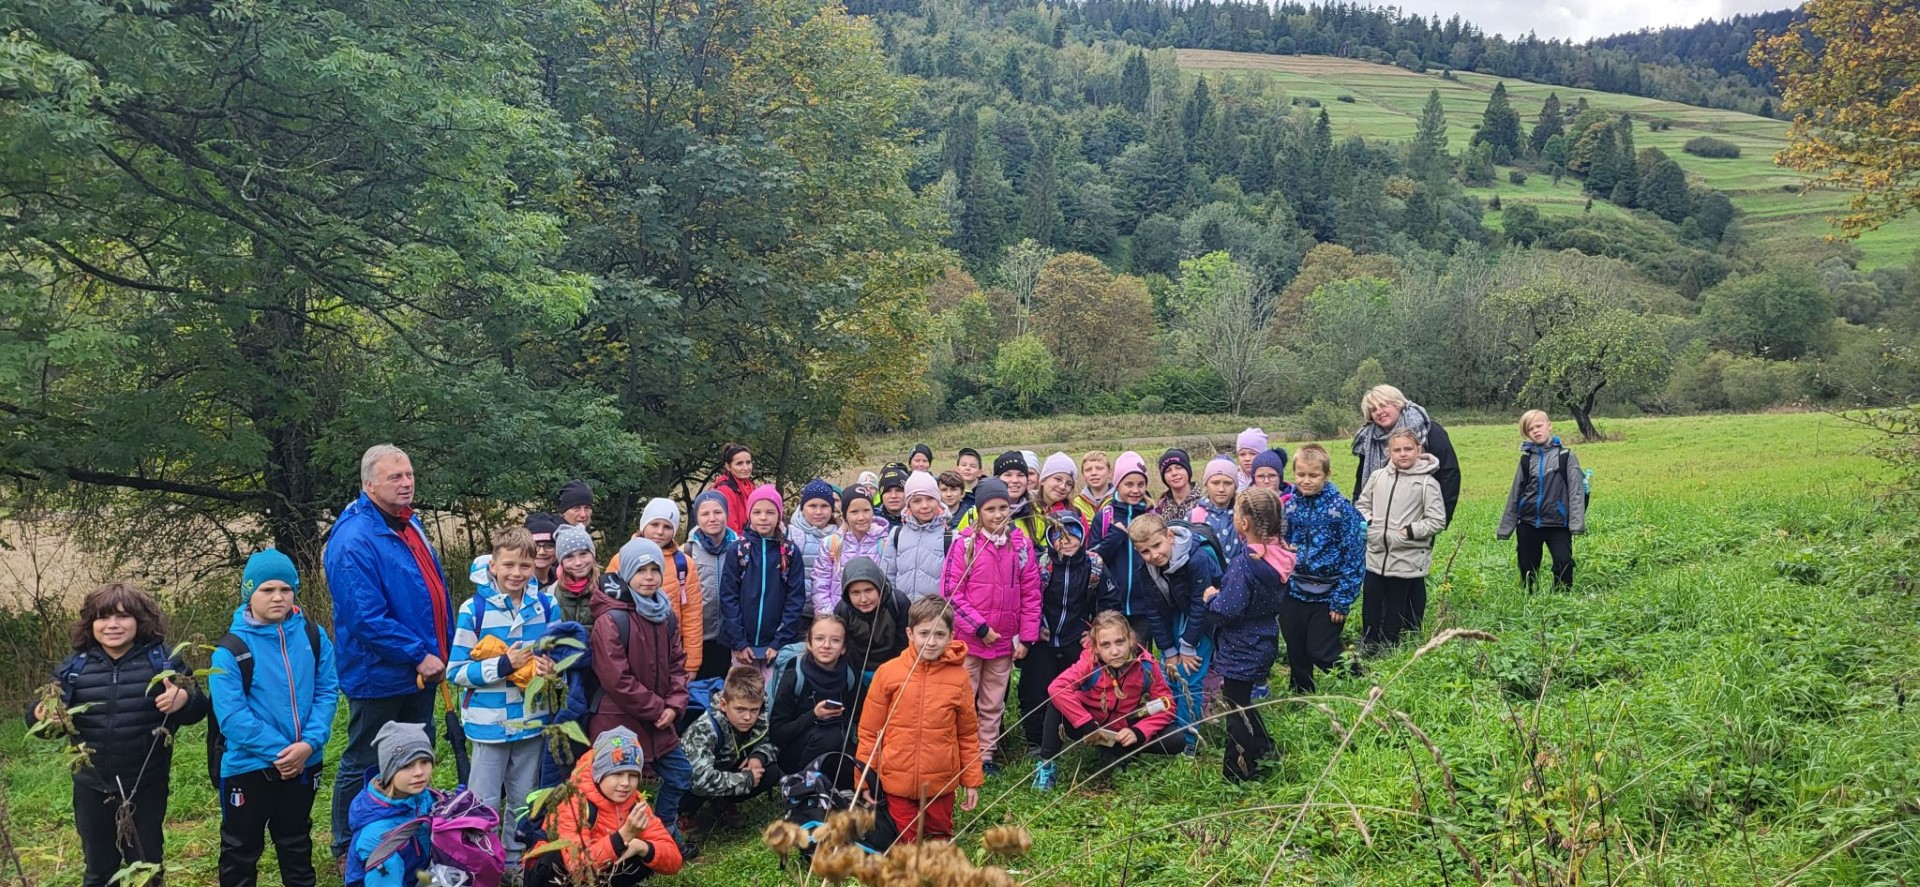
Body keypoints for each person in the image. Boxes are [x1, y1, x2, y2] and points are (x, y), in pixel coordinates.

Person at [323, 444, 454, 862]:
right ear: (369, 484)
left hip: (423, 668)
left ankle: (407, 827)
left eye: (409, 474)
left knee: (415, 753)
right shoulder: (354, 538)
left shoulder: (409, 523)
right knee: (366, 756)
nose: (406, 482)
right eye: (395, 477)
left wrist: (441, 649)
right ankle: (347, 844)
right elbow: (366, 618)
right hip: (380, 672)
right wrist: (418, 654)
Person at [29, 582, 208, 887]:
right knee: (99, 870)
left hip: (146, 786)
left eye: (123, 617)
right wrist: (41, 715)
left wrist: (183, 700)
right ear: (91, 623)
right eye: (103, 617)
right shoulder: (74, 668)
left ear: (140, 621)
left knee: (147, 867)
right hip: (91, 787)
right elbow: (45, 725)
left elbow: (197, 709)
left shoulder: (164, 663)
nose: (113, 625)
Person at [210, 550, 339, 887]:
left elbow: (327, 691)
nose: (278, 597)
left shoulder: (313, 636)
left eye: (286, 588)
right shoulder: (230, 650)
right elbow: (232, 717)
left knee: (296, 841)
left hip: (305, 760)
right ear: (249, 593)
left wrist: (308, 745)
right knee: (240, 850)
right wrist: (283, 753)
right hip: (249, 766)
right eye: (267, 589)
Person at [449, 527, 558, 871]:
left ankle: (514, 865)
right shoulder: (474, 609)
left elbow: (559, 654)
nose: (516, 573)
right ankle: (482, 865)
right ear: (493, 565)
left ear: (535, 566)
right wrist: (504, 665)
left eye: (525, 566)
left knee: (524, 799)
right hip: (488, 724)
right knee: (483, 802)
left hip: (531, 720)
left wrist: (552, 668)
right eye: (509, 565)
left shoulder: (546, 605)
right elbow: (456, 671)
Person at [855, 597, 983, 843]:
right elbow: (870, 732)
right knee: (907, 841)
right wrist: (865, 779)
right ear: (910, 634)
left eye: (939, 634)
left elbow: (967, 733)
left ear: (951, 636)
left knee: (939, 837)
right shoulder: (888, 673)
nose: (931, 642)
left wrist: (971, 780)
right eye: (924, 633)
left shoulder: (959, 678)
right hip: (896, 781)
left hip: (940, 782)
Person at [591, 538, 694, 843]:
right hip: (618, 721)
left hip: (659, 719)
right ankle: (614, 845)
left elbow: (678, 664)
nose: (649, 577)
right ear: (626, 573)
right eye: (640, 570)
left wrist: (674, 705)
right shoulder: (611, 619)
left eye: (654, 570)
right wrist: (659, 708)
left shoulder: (666, 614)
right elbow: (616, 679)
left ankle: (661, 831)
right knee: (616, 788)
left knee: (680, 773)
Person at [940, 478, 1041, 774]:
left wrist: (1026, 637)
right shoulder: (964, 544)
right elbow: (951, 592)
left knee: (993, 701)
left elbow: (1031, 592)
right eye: (990, 509)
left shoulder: (1020, 546)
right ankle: (959, 752)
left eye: (1003, 508)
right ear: (979, 512)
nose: (998, 515)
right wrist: (980, 628)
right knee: (963, 699)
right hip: (970, 640)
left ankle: (985, 755)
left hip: (1004, 641)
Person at [1030, 612, 1182, 791]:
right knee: (1056, 704)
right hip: (1087, 726)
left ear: (1130, 640)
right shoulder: (1089, 663)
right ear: (1096, 648)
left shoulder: (1146, 664)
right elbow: (1057, 687)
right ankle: (1046, 766)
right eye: (1106, 645)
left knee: (1176, 739)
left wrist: (1138, 732)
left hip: (1122, 728)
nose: (1115, 651)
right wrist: (1087, 725)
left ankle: (1123, 750)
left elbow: (1166, 704)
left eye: (1120, 642)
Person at [1206, 488, 1292, 782]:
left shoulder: (1245, 564)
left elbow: (1228, 609)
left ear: (1244, 523)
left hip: (1240, 643)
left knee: (1235, 708)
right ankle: (1265, 748)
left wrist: (1210, 599)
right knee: (1241, 700)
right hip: (1264, 637)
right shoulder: (1279, 555)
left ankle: (1238, 770)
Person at [528, 727, 683, 886]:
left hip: (598, 871)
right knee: (556, 855)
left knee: (643, 852)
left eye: (633, 775)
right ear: (598, 774)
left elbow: (675, 860)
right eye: (617, 774)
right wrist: (623, 836)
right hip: (554, 877)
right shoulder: (575, 802)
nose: (625, 783)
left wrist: (643, 847)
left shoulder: (635, 803)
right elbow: (577, 868)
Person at [1129, 512, 1224, 753]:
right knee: (1170, 673)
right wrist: (1169, 650)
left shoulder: (1197, 559)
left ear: (1170, 536)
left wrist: (1188, 646)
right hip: (1174, 612)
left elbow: (1200, 604)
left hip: (1203, 616)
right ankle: (1173, 728)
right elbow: (1153, 610)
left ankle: (1189, 742)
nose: (1154, 555)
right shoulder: (1146, 568)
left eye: (1157, 545)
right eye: (1145, 551)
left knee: (1188, 676)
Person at [1018, 513, 1111, 755]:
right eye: (1059, 536)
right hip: (1042, 638)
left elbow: (1110, 603)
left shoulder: (1094, 565)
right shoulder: (1040, 565)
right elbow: (1026, 598)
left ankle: (1077, 732)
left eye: (1073, 535)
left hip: (1076, 638)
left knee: (1076, 689)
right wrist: (1034, 627)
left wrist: (1095, 633)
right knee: (1035, 688)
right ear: (1050, 539)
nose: (1066, 541)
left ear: (1083, 536)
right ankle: (1036, 740)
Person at [1281, 445, 1364, 694]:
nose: (1306, 481)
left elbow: (1354, 556)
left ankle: (1359, 681)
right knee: (1295, 648)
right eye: (1301, 475)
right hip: (1295, 590)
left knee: (1320, 649)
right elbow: (1284, 543)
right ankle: (1302, 694)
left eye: (1313, 475)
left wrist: (1342, 600)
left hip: (1328, 593)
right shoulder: (1290, 507)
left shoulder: (1341, 510)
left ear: (1327, 474)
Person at [1356, 429, 1449, 651]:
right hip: (1376, 553)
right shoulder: (1377, 477)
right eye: (1397, 450)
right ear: (1389, 452)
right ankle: (1369, 641)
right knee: (1371, 600)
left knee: (1396, 604)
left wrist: (1411, 531)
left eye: (1408, 449)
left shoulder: (1427, 483)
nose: (1403, 454)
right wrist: (1369, 521)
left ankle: (1390, 643)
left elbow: (1437, 521)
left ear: (1419, 450)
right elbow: (1362, 504)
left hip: (1406, 556)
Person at [680, 666, 781, 838]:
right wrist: (746, 780)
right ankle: (683, 815)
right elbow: (699, 780)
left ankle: (722, 802)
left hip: (726, 766)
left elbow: (772, 743)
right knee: (689, 783)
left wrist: (758, 757)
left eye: (753, 710)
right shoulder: (704, 728)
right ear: (723, 704)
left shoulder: (761, 714)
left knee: (771, 772)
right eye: (740, 709)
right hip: (692, 778)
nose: (748, 717)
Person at [721, 485, 807, 677]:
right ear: (749, 514)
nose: (763, 517)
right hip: (743, 646)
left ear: (779, 515)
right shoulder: (738, 550)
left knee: (773, 691)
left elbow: (795, 599)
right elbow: (728, 598)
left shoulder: (789, 552)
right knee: (744, 691)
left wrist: (779, 642)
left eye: (770, 512)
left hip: (776, 646)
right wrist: (739, 642)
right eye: (757, 512)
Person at [1497, 410, 1587, 593]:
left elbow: (1576, 492)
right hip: (1528, 522)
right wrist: (1505, 528)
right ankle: (1529, 596)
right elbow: (1515, 493)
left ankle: (1561, 598)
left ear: (1549, 425)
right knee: (1527, 567)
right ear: (1527, 434)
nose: (1536, 431)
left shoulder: (1566, 456)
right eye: (1530, 429)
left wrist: (1576, 524)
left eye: (1539, 426)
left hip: (1558, 523)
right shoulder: (1526, 459)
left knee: (1564, 563)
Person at [614, 498, 705, 676]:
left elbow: (692, 616)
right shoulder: (622, 559)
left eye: (667, 527)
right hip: (631, 651)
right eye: (654, 524)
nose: (660, 532)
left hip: (670, 652)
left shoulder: (684, 564)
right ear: (643, 525)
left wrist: (691, 665)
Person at [343, 722, 438, 887]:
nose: (419, 772)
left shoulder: (423, 796)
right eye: (407, 765)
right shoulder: (379, 837)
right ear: (389, 770)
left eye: (424, 762)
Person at [1352, 384, 1462, 523]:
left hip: (1418, 517)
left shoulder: (1428, 429)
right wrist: (1357, 517)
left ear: (1398, 404)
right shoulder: (1368, 439)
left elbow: (1449, 473)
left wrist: (1441, 517)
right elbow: (1361, 481)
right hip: (1378, 521)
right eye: (1373, 410)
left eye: (1383, 405)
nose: (1379, 412)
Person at [771, 615, 863, 776]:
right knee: (829, 734)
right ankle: (802, 784)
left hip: (839, 745)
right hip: (794, 752)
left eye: (835, 640)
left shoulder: (850, 675)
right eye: (819, 639)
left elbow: (859, 718)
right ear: (809, 644)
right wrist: (814, 715)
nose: (826, 646)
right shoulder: (794, 676)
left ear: (843, 648)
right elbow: (777, 733)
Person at [1089, 452, 1156, 648]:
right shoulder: (1104, 517)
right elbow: (1093, 560)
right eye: (1129, 484)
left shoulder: (1151, 515)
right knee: (1112, 656)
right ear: (1117, 484)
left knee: (1140, 658)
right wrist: (1115, 536)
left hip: (1144, 605)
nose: (1135, 490)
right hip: (1111, 606)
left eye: (1141, 484)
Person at [685, 491, 738, 680]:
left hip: (731, 637)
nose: (712, 518)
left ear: (727, 514)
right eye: (705, 514)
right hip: (699, 637)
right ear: (697, 517)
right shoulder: (688, 551)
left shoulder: (740, 548)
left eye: (718, 512)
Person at [811, 491, 889, 618]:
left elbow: (889, 582)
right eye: (854, 512)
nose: (861, 517)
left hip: (876, 618)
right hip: (838, 617)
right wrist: (830, 617)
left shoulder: (885, 543)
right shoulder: (831, 543)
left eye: (866, 510)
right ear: (845, 514)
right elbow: (820, 584)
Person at [835, 557, 911, 681]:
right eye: (856, 593)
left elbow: (905, 644)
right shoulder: (843, 610)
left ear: (879, 586)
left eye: (869, 590)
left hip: (893, 669)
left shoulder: (898, 603)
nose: (864, 599)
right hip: (857, 671)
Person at [886, 471, 950, 603]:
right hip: (903, 610)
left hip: (936, 612)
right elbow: (888, 576)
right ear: (908, 505)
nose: (925, 506)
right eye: (917, 501)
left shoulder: (949, 538)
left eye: (930, 499)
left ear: (938, 501)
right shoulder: (897, 534)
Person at [790, 479, 839, 608]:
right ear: (802, 508)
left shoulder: (839, 537)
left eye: (824, 506)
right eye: (812, 506)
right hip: (797, 608)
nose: (818, 512)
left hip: (829, 609)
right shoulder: (791, 534)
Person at [1191, 456, 1245, 563]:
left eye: (1228, 483)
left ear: (1235, 486)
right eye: (1215, 483)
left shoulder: (1243, 514)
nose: (1221, 489)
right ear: (1206, 484)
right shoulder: (1194, 516)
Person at [714, 443, 756, 534]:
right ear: (728, 466)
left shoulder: (751, 487)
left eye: (748, 462)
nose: (746, 468)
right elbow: (731, 529)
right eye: (739, 464)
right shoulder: (724, 490)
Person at [1155, 449, 1202, 521]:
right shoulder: (1161, 506)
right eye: (1168, 470)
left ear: (1188, 470)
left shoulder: (1204, 502)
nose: (1174, 473)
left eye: (1179, 468)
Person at [1036, 452, 1079, 525]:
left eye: (1069, 484)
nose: (1062, 487)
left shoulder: (1077, 515)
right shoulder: (1025, 511)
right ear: (1043, 480)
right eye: (1058, 479)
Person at [1074, 451, 1115, 524]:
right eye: (1088, 470)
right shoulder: (1076, 504)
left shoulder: (1119, 500)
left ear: (1110, 472)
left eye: (1099, 468)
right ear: (1083, 475)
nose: (1094, 473)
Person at [525, 512, 560, 586]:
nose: (542, 552)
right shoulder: (516, 582)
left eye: (549, 546)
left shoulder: (564, 579)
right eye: (535, 546)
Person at [954, 448, 984, 518]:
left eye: (973, 466)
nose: (967, 468)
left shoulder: (986, 492)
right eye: (964, 465)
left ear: (980, 472)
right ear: (957, 469)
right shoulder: (949, 492)